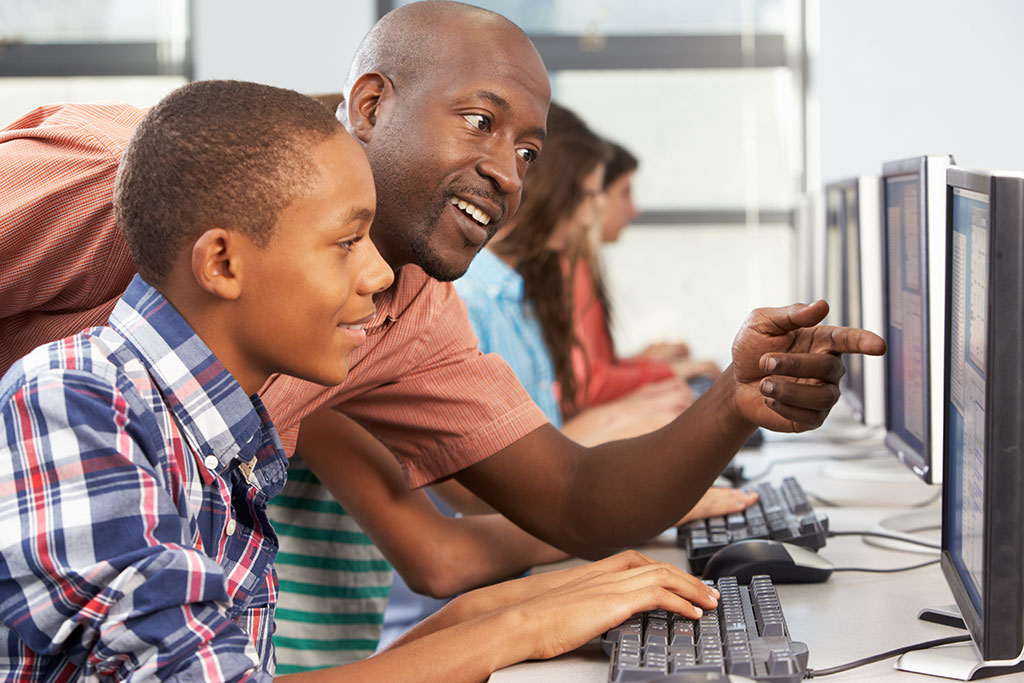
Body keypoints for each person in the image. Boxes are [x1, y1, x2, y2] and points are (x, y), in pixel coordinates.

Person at [0, 0, 885, 671]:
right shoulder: (122, 186)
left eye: (530, 153)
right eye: (480, 120)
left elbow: (573, 493)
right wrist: (508, 625)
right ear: (374, 102)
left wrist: (735, 403)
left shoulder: (402, 310)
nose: (507, 173)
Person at [376, 102, 757, 649]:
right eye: (587, 197)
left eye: (526, 156)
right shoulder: (449, 298)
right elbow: (463, 519)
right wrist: (634, 513)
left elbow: (536, 472)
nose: (589, 217)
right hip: (417, 624)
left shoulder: (500, 296)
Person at [569, 139, 720, 411]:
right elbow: (589, 387)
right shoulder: (572, 269)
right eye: (624, 193)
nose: (634, 209)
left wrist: (644, 361)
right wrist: (672, 372)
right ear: (594, 197)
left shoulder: (582, 266)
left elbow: (592, 372)